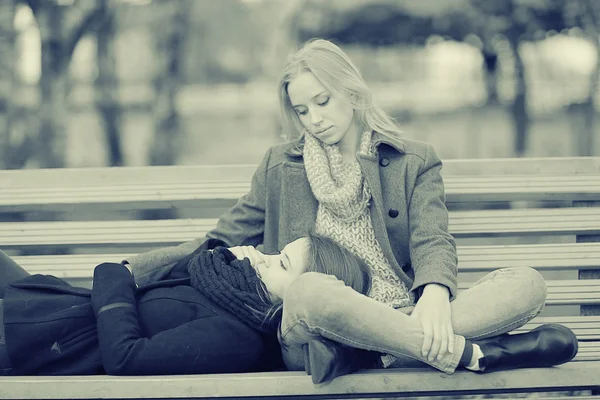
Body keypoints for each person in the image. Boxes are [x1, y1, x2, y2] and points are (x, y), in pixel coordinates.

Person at [124, 38, 578, 383]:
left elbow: (431, 237)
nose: (315, 118)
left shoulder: (412, 160)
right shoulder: (281, 166)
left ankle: (376, 350)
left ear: (353, 92)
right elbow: (221, 239)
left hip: (404, 311)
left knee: (527, 285)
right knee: (310, 293)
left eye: (323, 101)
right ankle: (469, 352)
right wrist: (137, 269)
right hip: (313, 331)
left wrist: (436, 292)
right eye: (302, 110)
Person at [0, 232, 370, 376]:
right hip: (47, 307)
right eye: (277, 252)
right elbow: (162, 287)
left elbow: (124, 357)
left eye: (281, 263)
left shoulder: (237, 339)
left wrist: (115, 277)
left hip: (40, 341)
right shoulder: (228, 291)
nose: (265, 257)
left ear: (303, 296)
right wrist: (219, 257)